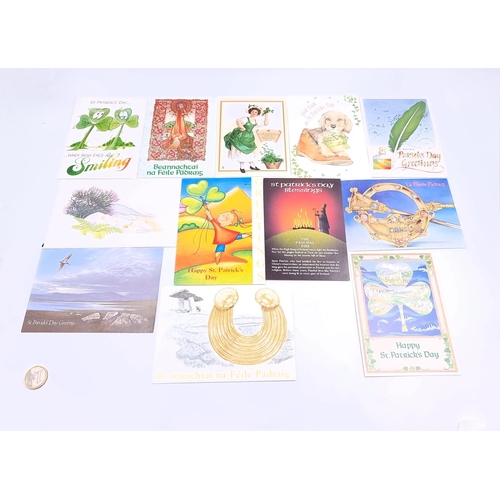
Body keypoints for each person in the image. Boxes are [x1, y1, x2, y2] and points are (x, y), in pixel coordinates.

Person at [224, 105, 269, 173]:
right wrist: (242, 127)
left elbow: (266, 123)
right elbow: (238, 121)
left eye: (256, 112)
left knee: (249, 151)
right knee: (241, 150)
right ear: (250, 112)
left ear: (257, 114)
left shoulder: (256, 120)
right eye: (253, 111)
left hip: (249, 137)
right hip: (242, 136)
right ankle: (242, 167)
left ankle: (252, 165)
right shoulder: (245, 118)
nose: (254, 113)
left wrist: (266, 114)